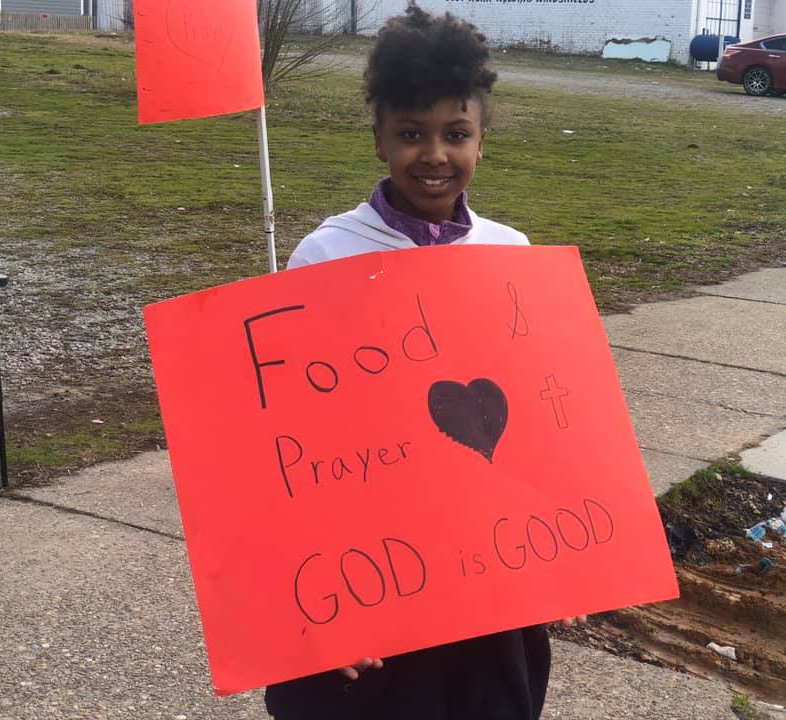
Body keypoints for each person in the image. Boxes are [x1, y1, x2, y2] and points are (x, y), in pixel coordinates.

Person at [265, 4, 584, 718]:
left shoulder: (512, 256)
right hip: (372, 580)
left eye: (456, 134)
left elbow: (541, 426)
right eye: (411, 134)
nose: (434, 154)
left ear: (482, 142)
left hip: (489, 577)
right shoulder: (325, 257)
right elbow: (295, 445)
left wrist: (564, 569)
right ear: (379, 139)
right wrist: (323, 602)